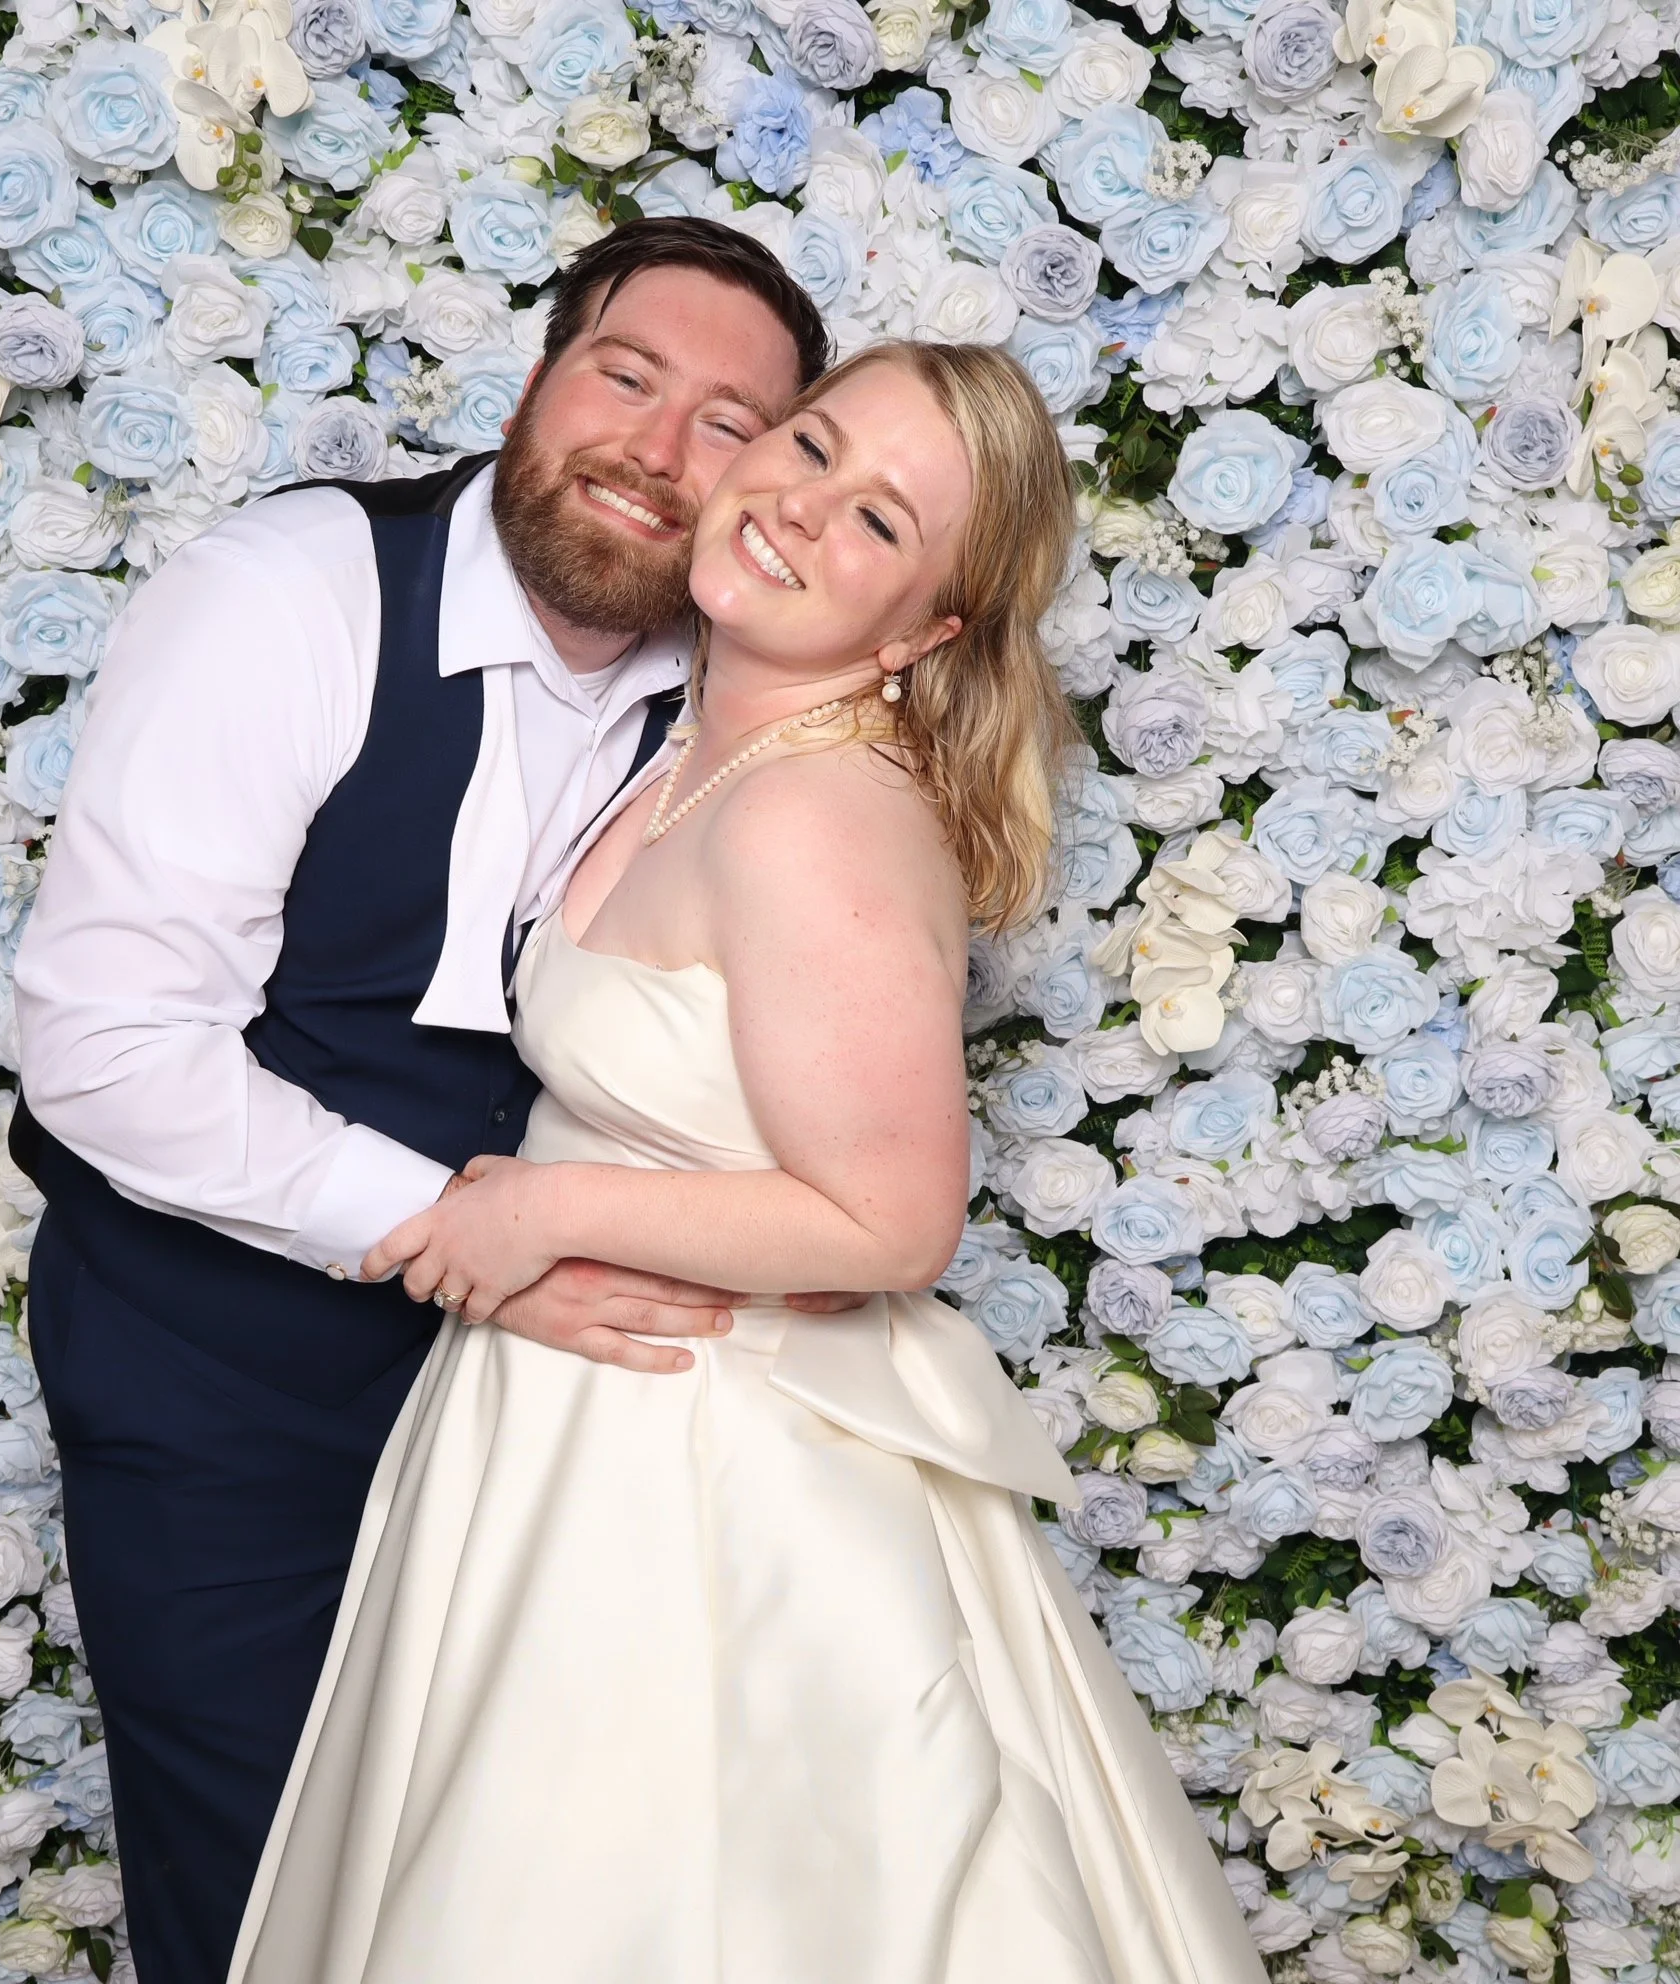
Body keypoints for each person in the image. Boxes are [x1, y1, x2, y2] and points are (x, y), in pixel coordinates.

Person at [227, 341, 1269, 1984]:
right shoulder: (694, 748)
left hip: (714, 1476)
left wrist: (544, 1206)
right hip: (573, 1425)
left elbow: (894, 1217)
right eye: (808, 443)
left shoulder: (816, 817)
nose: (793, 506)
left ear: (924, 628)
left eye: (874, 521)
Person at [8, 219, 832, 1984]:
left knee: (523, 1905)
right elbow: (103, 1048)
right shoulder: (290, 591)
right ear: (539, 381)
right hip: (216, 1382)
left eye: (725, 426)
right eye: (627, 377)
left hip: (548, 1403)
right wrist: (468, 1238)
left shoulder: (750, 687)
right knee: (265, 1904)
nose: (652, 448)